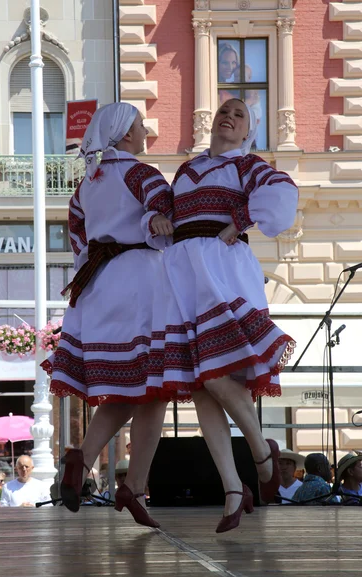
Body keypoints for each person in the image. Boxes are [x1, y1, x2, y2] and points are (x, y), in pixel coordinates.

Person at [149, 98, 298, 532]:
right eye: (223, 112)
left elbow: (284, 191)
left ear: (248, 130)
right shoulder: (188, 170)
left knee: (217, 374)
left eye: (238, 114)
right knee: (201, 385)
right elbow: (168, 215)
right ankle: (234, 486)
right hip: (182, 274)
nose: (228, 117)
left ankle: (259, 453)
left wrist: (242, 219)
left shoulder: (246, 165)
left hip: (223, 270)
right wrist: (160, 218)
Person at [42, 102, 175, 527]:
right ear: (123, 135)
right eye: (140, 126)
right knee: (154, 389)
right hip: (142, 282)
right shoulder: (141, 173)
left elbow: (78, 237)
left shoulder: (88, 184)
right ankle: (135, 487)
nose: (145, 132)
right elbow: (166, 212)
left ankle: (82, 457)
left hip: (102, 284)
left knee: (125, 388)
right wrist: (155, 222)